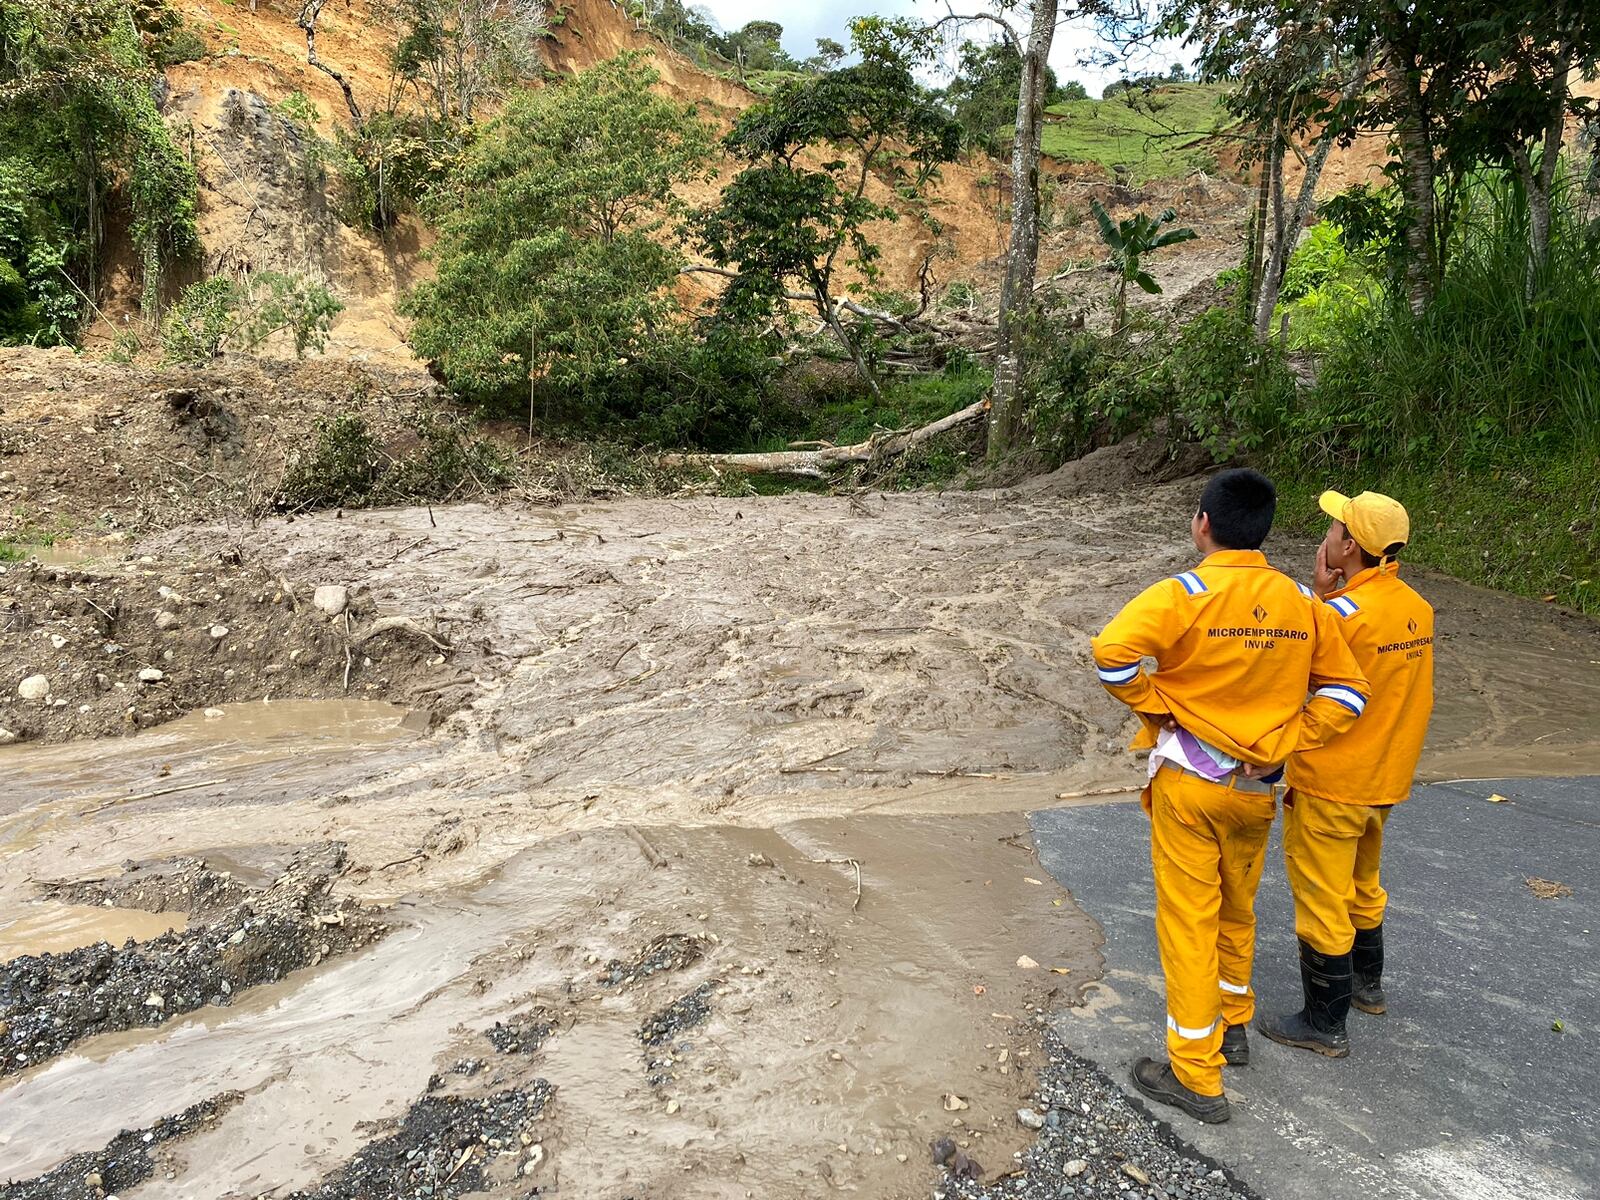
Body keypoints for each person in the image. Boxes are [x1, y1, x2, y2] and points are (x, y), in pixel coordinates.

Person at [1091, 468, 1370, 1124]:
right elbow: (1349, 692)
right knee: (1236, 912)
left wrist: (1163, 706)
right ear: (1264, 531)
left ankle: (1196, 1074)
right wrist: (1294, 732)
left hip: (1191, 787)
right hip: (1257, 791)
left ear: (1203, 525)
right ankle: (1233, 1026)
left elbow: (1111, 657)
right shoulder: (1302, 601)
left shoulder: (1183, 593)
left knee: (1189, 923)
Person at [1257, 490, 1434, 1057]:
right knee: (1363, 884)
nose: (1326, 537)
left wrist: (1314, 596)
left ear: (1349, 545)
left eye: (1333, 529)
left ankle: (1324, 1022)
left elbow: (1294, 679)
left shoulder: (1336, 616)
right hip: (1385, 778)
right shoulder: (1417, 607)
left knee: (1321, 897)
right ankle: (1367, 986)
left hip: (1333, 781)